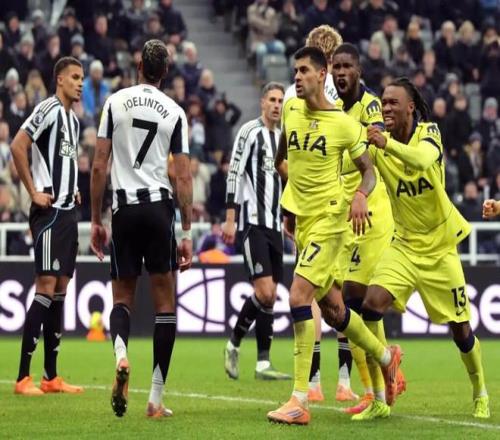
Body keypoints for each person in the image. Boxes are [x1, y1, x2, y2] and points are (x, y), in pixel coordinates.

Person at [268, 46, 401, 426]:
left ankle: (299, 399)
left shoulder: (343, 124)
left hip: (330, 222)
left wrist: (359, 195)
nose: (297, 77)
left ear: (322, 74)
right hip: (304, 223)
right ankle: (387, 357)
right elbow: (283, 159)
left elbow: (369, 171)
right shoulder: (291, 110)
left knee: (298, 296)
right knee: (334, 311)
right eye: (295, 71)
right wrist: (290, 206)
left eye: (304, 70)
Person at [358, 77, 490, 420]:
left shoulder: (428, 133)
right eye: (383, 103)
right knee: (370, 306)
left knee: (461, 331)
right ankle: (381, 393)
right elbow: (358, 165)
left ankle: (480, 390)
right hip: (404, 245)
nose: (386, 108)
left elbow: (420, 161)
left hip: (440, 248)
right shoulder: (377, 145)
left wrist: (386, 143)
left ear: (411, 107)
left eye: (393, 102)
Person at [90, 39, 193, 418]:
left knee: (122, 300)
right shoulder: (175, 112)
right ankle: (155, 398)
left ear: (138, 66)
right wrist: (186, 231)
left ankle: (121, 355)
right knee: (165, 304)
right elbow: (183, 175)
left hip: (125, 209)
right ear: (165, 71)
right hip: (158, 208)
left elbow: (99, 165)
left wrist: (96, 219)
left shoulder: (115, 103)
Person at [283, 25, 357, 404]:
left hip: (328, 213)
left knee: (308, 295)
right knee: (332, 299)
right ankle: (352, 374)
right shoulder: (338, 97)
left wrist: (291, 201)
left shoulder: (314, 101)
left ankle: (311, 385)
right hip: (329, 209)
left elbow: (286, 161)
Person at [331, 43, 405, 415]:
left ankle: (377, 389)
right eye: (336, 67)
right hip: (346, 215)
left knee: (352, 306)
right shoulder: (333, 108)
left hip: (371, 211)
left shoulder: (370, 105)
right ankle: (383, 375)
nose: (341, 73)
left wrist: (360, 191)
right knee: (348, 310)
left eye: (347, 66)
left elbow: (374, 149)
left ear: (358, 71)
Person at [11, 57, 85, 395]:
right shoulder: (49, 109)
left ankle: (51, 377)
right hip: (50, 212)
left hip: (69, 213)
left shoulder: (74, 121)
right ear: (59, 80)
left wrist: (74, 188)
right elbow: (18, 145)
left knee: (60, 290)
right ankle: (22, 378)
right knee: (45, 286)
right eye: (74, 77)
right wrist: (32, 192)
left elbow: (64, 162)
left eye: (82, 78)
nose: (80, 83)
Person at [222, 82, 291, 381]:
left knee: (270, 296)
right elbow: (235, 172)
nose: (276, 105)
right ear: (262, 102)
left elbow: (289, 182)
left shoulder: (285, 137)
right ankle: (233, 344)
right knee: (265, 291)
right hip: (252, 222)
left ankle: (263, 362)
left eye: (280, 101)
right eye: (272, 100)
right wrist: (230, 218)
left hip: (276, 226)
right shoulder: (250, 132)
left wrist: (290, 219)